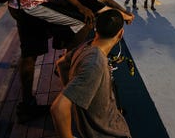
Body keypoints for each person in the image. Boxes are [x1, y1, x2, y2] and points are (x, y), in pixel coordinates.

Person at [51, 9, 132, 138]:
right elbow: (58, 108)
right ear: (120, 34)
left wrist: (71, 90)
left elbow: (61, 63)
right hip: (106, 132)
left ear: (96, 29)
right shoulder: (95, 63)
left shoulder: (87, 46)